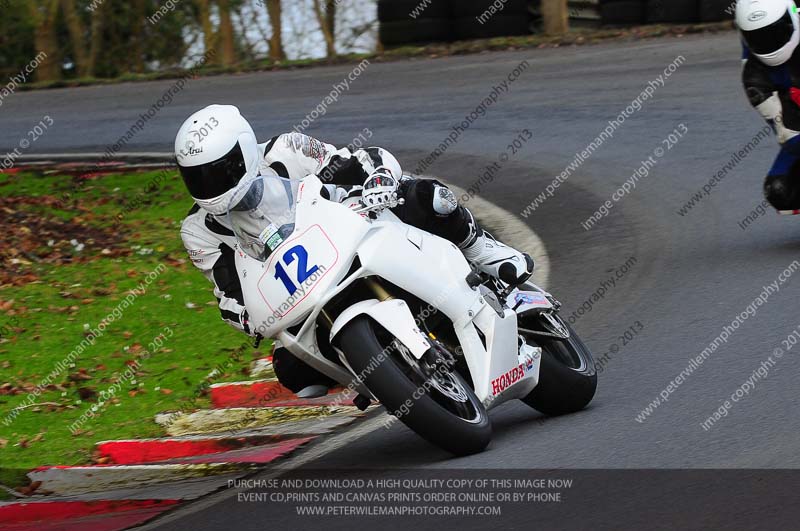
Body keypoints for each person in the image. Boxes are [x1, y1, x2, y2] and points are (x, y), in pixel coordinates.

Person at [176, 104, 533, 397]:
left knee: (430, 198)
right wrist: (243, 316)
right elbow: (227, 291)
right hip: (301, 290)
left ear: (244, 151)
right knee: (292, 370)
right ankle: (373, 371)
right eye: (199, 178)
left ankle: (482, 249)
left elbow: (354, 162)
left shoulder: (286, 150)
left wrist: (376, 179)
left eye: (219, 172)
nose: (211, 185)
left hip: (354, 228)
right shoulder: (198, 231)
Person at [737, 0, 800, 213]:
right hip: (791, 97)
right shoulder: (755, 79)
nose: (768, 43)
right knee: (779, 191)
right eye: (759, 38)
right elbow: (790, 137)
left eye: (775, 34)